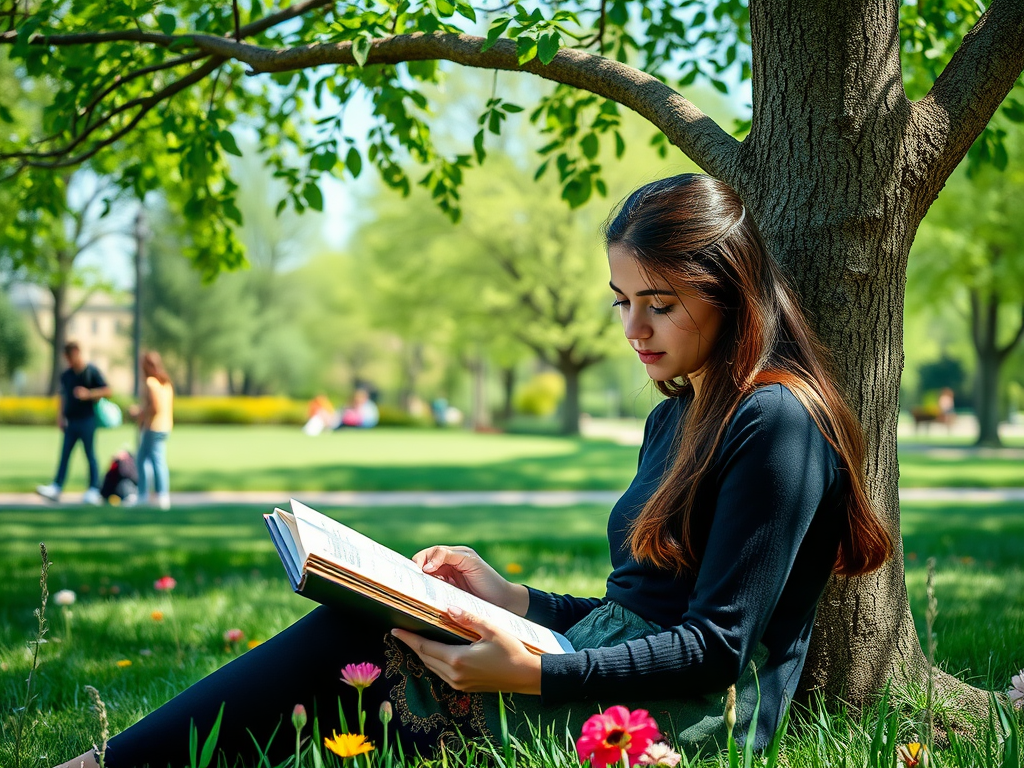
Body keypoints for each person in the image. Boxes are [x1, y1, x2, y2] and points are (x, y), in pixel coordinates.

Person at [56, 174, 892, 768]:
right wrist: (512, 601)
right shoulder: (677, 413)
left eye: (659, 303)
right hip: (594, 667)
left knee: (357, 646)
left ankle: (108, 765)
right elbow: (640, 604)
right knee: (372, 635)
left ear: (731, 291)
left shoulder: (777, 421)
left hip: (679, 724)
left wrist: (536, 670)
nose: (633, 327)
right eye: (621, 299)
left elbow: (715, 647)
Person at [36, 341, 112, 506]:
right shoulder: (67, 375)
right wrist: (60, 416)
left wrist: (88, 394)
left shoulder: (91, 371)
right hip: (71, 421)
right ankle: (57, 486)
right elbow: (62, 396)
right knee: (64, 455)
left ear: (77, 352)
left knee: (90, 454)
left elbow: (107, 390)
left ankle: (93, 488)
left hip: (87, 420)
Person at [128, 351, 174, 510]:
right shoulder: (165, 382)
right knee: (155, 460)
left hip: (153, 427)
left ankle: (147, 495)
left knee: (144, 459)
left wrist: (138, 413)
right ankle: (159, 494)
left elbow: (154, 408)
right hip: (165, 426)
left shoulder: (151, 382)